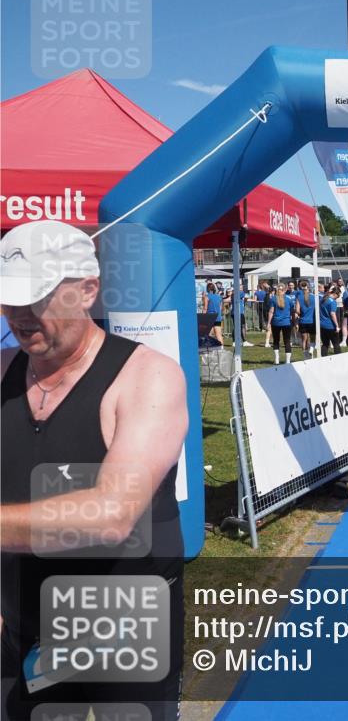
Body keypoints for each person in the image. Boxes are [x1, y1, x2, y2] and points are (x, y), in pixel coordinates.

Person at [1, 220, 186, 720]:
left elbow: (110, 516)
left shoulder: (147, 376)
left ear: (88, 290)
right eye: (8, 298)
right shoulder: (3, 371)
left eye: (37, 298)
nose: (19, 314)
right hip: (26, 628)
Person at [267, 282, 296, 364]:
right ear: (285, 289)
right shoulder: (289, 299)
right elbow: (292, 312)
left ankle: (276, 359)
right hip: (286, 323)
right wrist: (294, 321)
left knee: (276, 341)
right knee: (287, 341)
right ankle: (288, 361)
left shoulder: (273, 298)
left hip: (275, 323)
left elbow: (271, 312)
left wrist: (269, 323)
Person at [318, 284, 341, 357]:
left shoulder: (322, 299)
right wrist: (337, 325)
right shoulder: (332, 302)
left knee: (325, 344)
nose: (338, 297)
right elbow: (332, 313)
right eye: (338, 296)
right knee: (336, 344)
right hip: (331, 326)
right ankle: (338, 358)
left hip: (322, 325)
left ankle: (323, 359)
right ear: (335, 294)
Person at [298, 282, 317, 358]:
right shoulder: (314, 297)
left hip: (303, 321)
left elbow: (297, 310)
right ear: (309, 287)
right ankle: (311, 349)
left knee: (304, 340)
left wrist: (301, 313)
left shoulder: (299, 297)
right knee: (312, 338)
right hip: (312, 321)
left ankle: (305, 357)